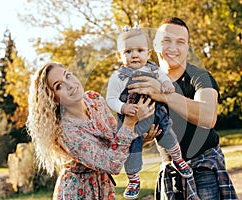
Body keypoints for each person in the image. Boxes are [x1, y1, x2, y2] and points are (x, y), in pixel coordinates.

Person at [128, 17, 238, 199]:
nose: (173, 48)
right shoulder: (144, 81)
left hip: (204, 168)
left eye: (180, 42)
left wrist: (163, 95)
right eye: (166, 41)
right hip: (169, 169)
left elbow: (208, 117)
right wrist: (144, 137)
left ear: (187, 47)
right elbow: (131, 129)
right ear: (154, 46)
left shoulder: (200, 77)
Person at [26, 62, 159, 200]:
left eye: (68, 76)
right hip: (79, 191)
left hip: (103, 186)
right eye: (59, 86)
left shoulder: (94, 99)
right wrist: (130, 122)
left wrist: (139, 139)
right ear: (53, 99)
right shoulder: (67, 132)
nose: (70, 85)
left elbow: (115, 142)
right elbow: (111, 164)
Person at [106, 27, 193, 199]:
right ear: (119, 56)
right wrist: (123, 107)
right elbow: (111, 99)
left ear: (148, 52)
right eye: (128, 51)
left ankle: (178, 160)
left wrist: (167, 84)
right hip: (133, 120)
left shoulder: (153, 70)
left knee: (167, 134)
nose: (135, 55)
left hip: (156, 114)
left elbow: (163, 79)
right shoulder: (118, 77)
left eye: (139, 50)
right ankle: (133, 179)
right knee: (133, 148)